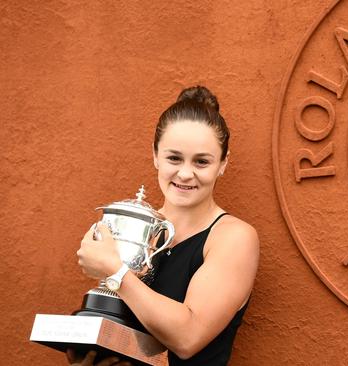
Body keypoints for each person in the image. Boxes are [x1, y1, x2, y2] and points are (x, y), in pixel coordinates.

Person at [72, 85, 259, 365]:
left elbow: (188, 338)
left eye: (202, 161)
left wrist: (115, 270)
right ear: (155, 155)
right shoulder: (136, 229)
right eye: (174, 158)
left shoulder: (234, 238)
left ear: (222, 163)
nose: (185, 173)